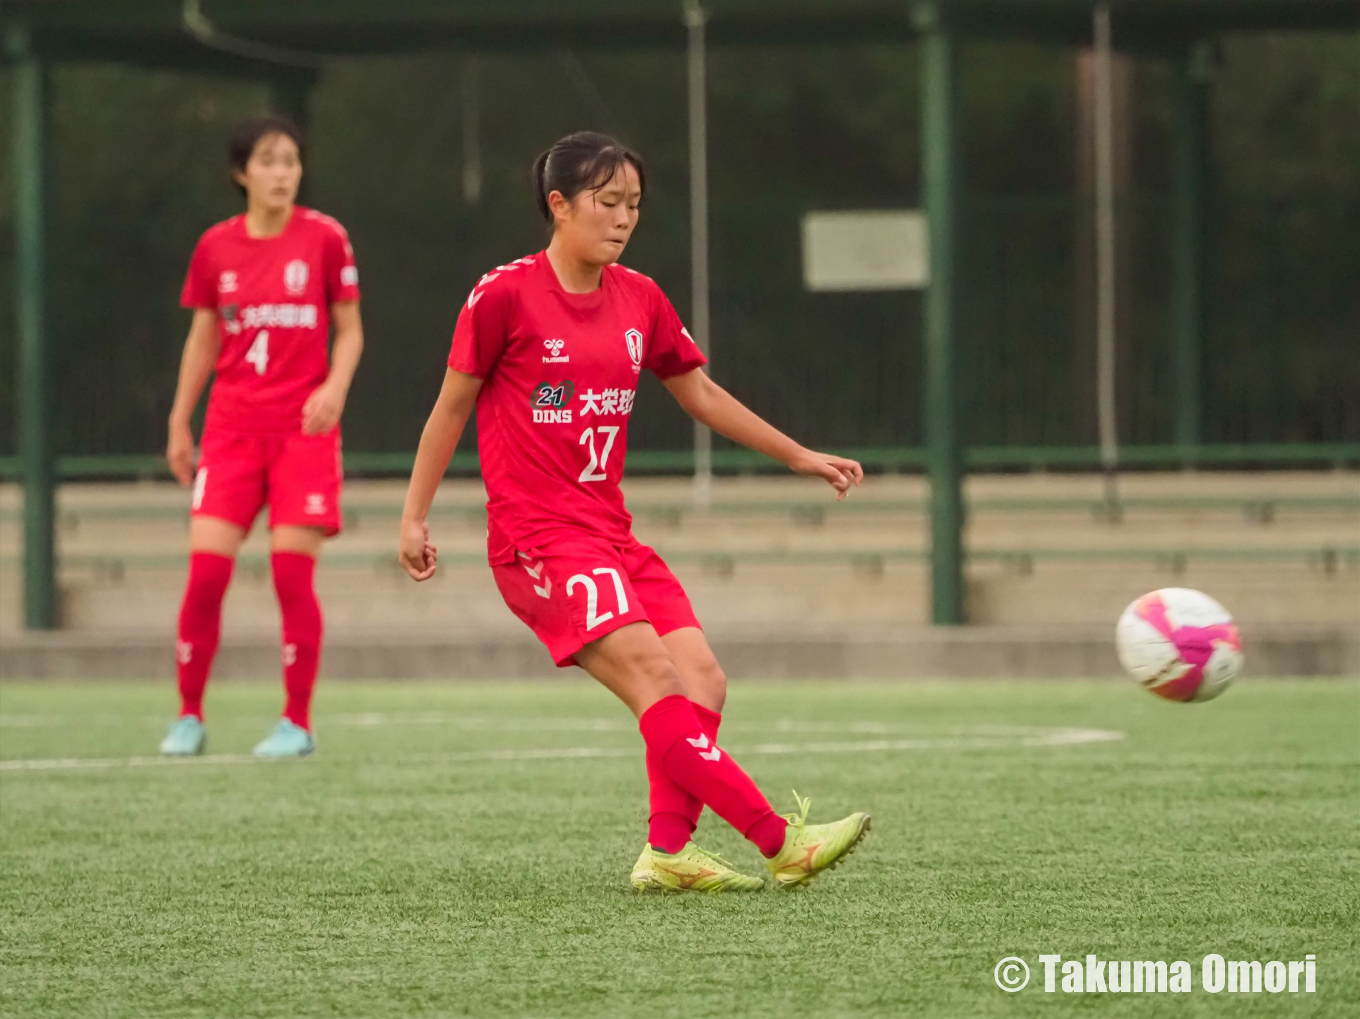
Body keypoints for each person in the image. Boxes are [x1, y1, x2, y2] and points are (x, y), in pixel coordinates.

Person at [399, 131, 869, 892]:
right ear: (559, 206)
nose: (623, 218)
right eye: (607, 202)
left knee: (703, 680)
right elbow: (450, 408)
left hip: (610, 534)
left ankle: (667, 851)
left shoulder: (640, 297)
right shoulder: (503, 296)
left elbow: (701, 394)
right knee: (656, 674)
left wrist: (799, 455)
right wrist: (413, 516)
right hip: (538, 541)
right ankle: (780, 841)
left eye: (634, 205)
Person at [159, 114, 364, 758]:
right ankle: (189, 716)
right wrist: (178, 417)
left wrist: (333, 388)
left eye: (291, 161)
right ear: (241, 172)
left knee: (290, 576)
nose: (282, 173)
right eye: (269, 161)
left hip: (302, 432)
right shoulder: (214, 247)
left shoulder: (326, 238)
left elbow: (351, 329)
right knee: (206, 577)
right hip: (230, 431)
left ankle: (296, 723)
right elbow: (202, 336)